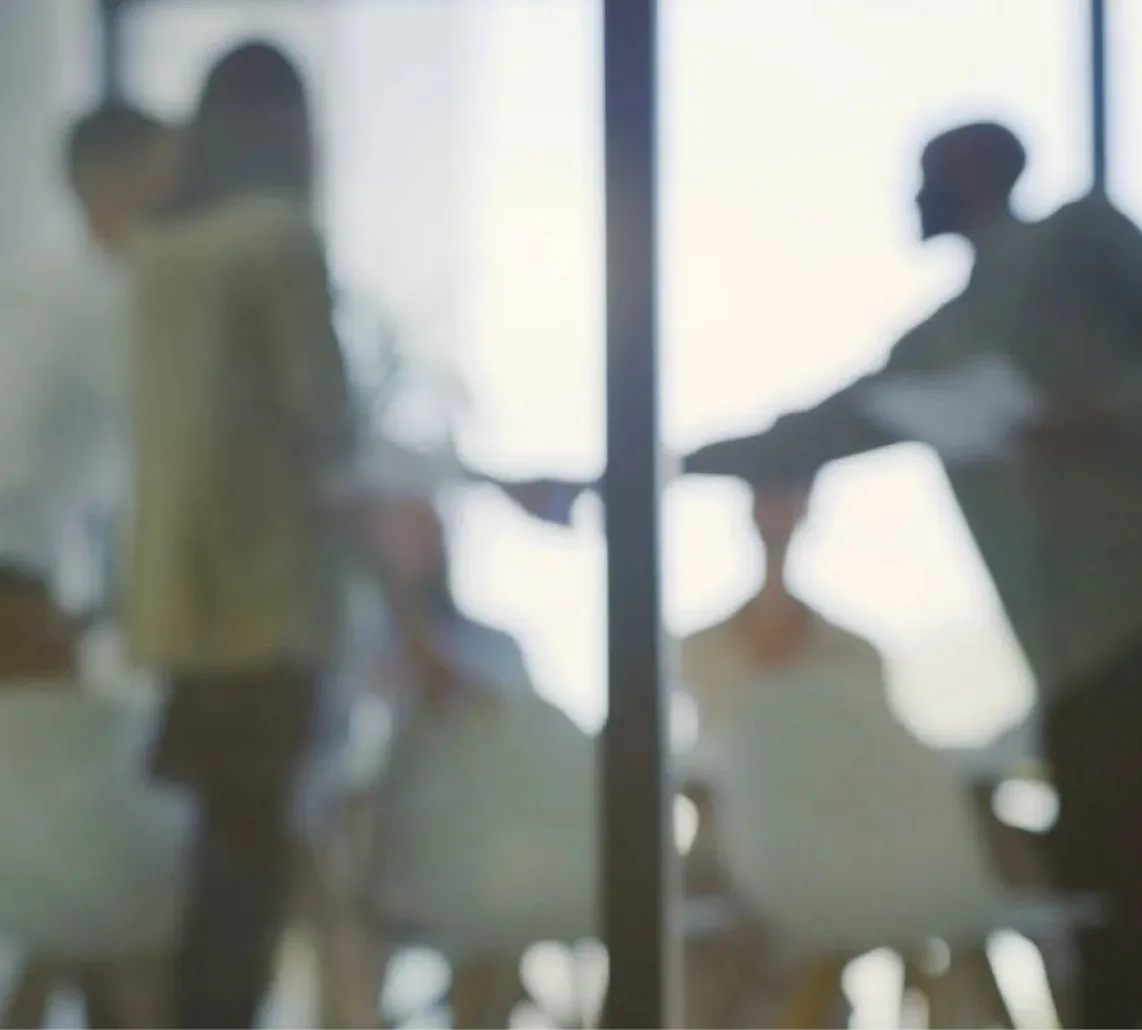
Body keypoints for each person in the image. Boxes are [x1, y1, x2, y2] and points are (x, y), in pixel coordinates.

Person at [683, 120, 1142, 1030]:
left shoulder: (1080, 240)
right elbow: (812, 431)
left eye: (929, 173)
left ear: (981, 169)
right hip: (1076, 666)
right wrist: (645, 466)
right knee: (1110, 914)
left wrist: (1099, 415)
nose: (913, 194)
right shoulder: (942, 344)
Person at [127, 41, 458, 1030]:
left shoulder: (164, 253)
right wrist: (413, 621)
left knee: (219, 866)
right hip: (266, 609)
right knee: (252, 873)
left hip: (179, 608)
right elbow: (330, 451)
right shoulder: (278, 242)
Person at [0, 102, 177, 1030]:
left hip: (29, 589)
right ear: (120, 186)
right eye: (169, 172)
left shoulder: (59, 291)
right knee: (82, 870)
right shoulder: (89, 301)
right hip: (12, 590)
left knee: (64, 874)